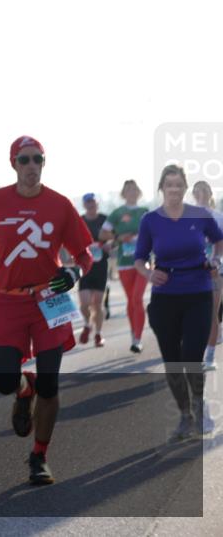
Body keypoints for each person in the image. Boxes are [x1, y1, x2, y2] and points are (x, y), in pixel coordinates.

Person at [0, 136, 94, 485]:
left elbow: (85, 253)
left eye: (38, 159)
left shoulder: (59, 204)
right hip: (8, 299)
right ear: (13, 164)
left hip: (50, 297)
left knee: (51, 385)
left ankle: (39, 456)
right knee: (4, 381)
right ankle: (25, 388)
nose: (32, 165)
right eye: (24, 159)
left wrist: (75, 273)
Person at [134, 166, 223, 439]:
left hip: (198, 291)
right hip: (165, 295)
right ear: (162, 188)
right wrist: (149, 273)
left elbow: (219, 241)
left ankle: (198, 406)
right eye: (169, 184)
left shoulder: (200, 215)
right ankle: (185, 416)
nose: (174, 189)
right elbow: (139, 258)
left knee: (191, 357)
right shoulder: (150, 220)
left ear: (185, 188)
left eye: (178, 184)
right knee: (172, 360)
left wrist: (216, 259)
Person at [100, 180, 149, 353]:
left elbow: (156, 232)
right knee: (131, 300)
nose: (132, 192)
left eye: (134, 189)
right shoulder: (117, 213)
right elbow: (103, 233)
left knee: (137, 298)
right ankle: (133, 332)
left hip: (143, 262)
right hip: (124, 263)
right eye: (128, 189)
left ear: (139, 192)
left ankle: (138, 339)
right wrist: (118, 237)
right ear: (123, 193)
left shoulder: (145, 212)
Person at [192, 181, 223, 371]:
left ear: (210, 193)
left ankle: (209, 357)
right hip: (191, 272)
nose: (201, 194)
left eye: (204, 190)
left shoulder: (218, 216)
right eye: (197, 191)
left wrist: (216, 259)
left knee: (212, 312)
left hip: (215, 271)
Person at [78, 193, 112, 347]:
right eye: (88, 202)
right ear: (84, 205)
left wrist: (110, 244)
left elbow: (115, 237)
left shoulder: (105, 219)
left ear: (97, 203)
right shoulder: (80, 221)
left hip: (101, 266)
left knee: (97, 303)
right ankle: (87, 324)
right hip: (85, 266)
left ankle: (98, 334)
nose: (91, 205)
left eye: (93, 202)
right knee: (84, 303)